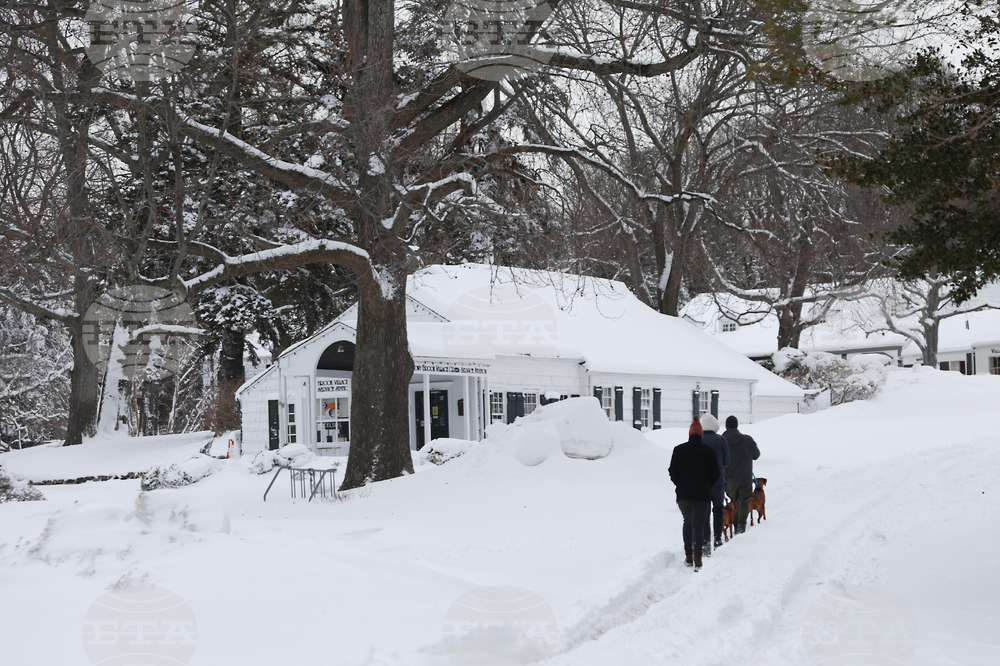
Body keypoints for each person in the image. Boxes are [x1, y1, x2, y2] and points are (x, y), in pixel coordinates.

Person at [668, 417, 720, 571]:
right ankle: (698, 559)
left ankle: (688, 556)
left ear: (690, 434)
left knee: (688, 522)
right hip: (702, 494)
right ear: (701, 435)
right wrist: (706, 485)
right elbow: (715, 473)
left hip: (683, 494)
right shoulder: (708, 452)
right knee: (698, 525)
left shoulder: (679, 449)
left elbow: (672, 472)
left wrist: (681, 484)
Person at [722, 415, 760, 534]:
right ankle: (741, 525)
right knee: (744, 501)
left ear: (726, 426)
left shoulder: (722, 441)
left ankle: (734, 523)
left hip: (729, 479)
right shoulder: (747, 440)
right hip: (745, 478)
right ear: (737, 426)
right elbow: (756, 455)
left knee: (733, 501)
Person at [699, 414, 730, 554]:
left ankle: (706, 541)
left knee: (704, 512)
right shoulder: (721, 440)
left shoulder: (697, 440)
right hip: (717, 481)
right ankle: (717, 538)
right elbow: (727, 462)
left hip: (702, 482)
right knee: (718, 510)